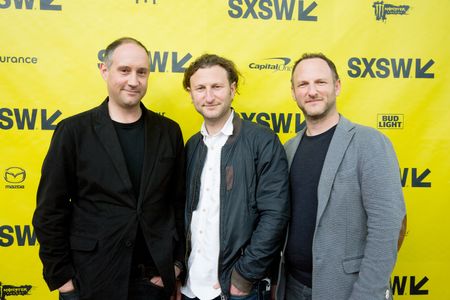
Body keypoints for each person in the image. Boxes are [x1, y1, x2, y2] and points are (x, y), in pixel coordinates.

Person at [32, 37, 185, 300]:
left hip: (153, 283)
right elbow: (49, 211)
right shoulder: (73, 132)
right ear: (104, 70)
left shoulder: (169, 132)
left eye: (142, 72)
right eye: (124, 70)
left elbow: (179, 204)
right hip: (90, 281)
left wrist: (176, 266)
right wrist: (63, 280)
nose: (133, 80)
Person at [276, 53, 406, 300]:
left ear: (337, 86)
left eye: (320, 82)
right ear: (293, 93)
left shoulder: (369, 142)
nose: (311, 91)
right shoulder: (289, 149)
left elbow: (386, 226)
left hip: (348, 290)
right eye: (303, 84)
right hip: (293, 287)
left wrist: (367, 294)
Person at [180, 54, 290, 300]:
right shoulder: (191, 147)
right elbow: (183, 215)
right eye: (200, 88)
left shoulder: (262, 141)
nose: (209, 96)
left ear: (232, 89)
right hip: (190, 288)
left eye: (217, 87)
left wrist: (243, 277)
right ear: (191, 94)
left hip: (238, 290)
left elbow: (275, 214)